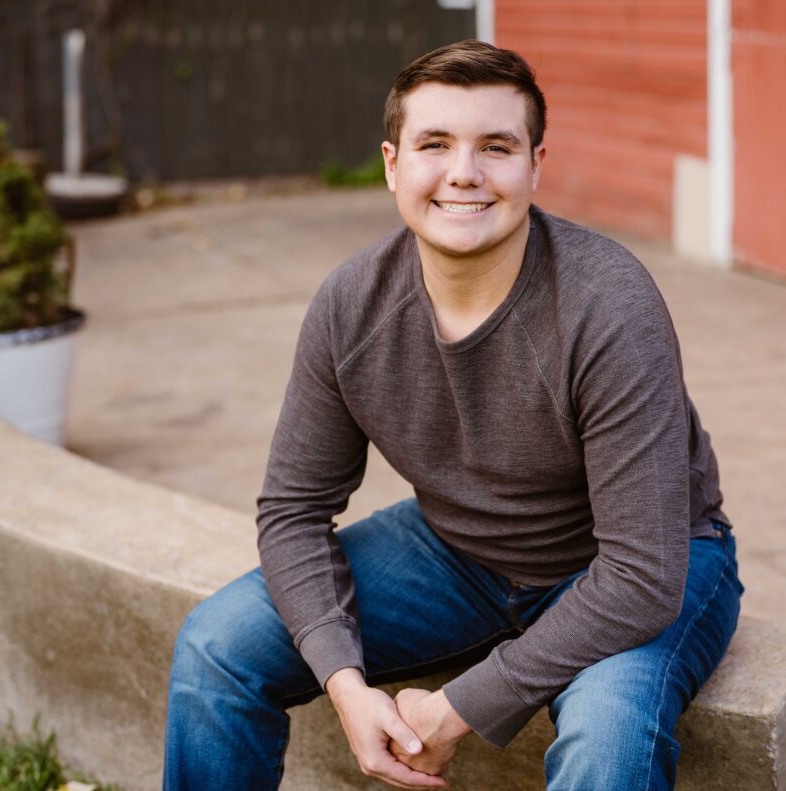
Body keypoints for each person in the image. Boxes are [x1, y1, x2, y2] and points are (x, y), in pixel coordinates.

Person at [163, 39, 743, 791]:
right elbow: (293, 510)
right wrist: (344, 682)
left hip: (644, 558)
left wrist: (460, 705)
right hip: (455, 552)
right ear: (391, 164)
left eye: (495, 146)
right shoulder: (351, 305)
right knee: (216, 645)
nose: (463, 172)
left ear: (537, 163)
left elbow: (640, 575)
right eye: (434, 144)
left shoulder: (610, 305)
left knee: (609, 738)